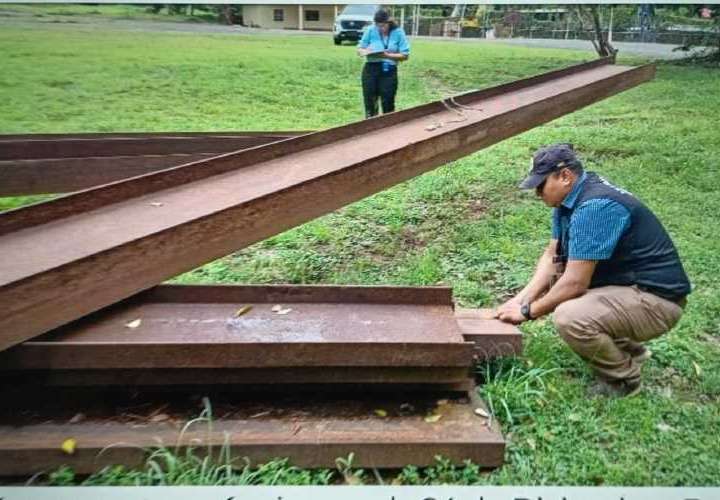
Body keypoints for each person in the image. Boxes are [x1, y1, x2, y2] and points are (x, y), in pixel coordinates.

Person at [495, 143, 691, 397]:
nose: (537, 193)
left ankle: (624, 380)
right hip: (629, 287)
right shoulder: (570, 198)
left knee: (569, 315)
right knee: (558, 279)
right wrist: (522, 298)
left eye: (540, 185)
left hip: (658, 301)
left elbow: (576, 282)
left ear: (565, 176)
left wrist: (528, 312)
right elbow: (552, 254)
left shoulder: (595, 206)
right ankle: (631, 350)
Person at [357, 9, 410, 118]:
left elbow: (405, 55)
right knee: (370, 101)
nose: (380, 29)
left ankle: (388, 127)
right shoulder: (371, 30)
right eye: (378, 26)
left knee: (388, 101)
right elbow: (360, 48)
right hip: (371, 69)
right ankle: (370, 125)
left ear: (389, 22)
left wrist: (386, 55)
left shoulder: (398, 32)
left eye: (383, 26)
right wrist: (365, 52)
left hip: (389, 70)